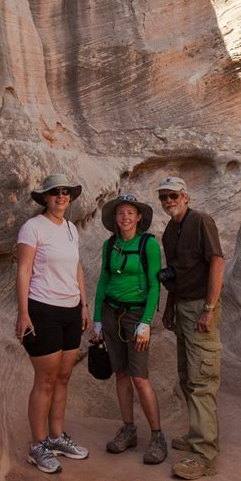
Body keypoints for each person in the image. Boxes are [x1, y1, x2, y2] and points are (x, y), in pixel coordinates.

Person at [16, 173, 90, 474]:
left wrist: (83, 305)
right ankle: (38, 445)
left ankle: (57, 437)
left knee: (63, 377)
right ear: (45, 198)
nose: (61, 197)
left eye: (66, 193)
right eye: (55, 193)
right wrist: (23, 313)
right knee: (45, 380)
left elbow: (77, 267)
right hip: (43, 309)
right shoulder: (32, 228)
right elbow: (23, 270)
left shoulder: (72, 228)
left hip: (71, 310)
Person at [91, 194, 167, 465]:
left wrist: (146, 322)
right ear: (115, 218)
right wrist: (97, 319)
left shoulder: (148, 245)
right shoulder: (109, 244)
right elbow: (103, 281)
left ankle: (157, 436)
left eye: (130, 213)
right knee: (121, 373)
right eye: (120, 213)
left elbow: (155, 285)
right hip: (112, 312)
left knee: (139, 377)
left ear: (139, 218)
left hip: (136, 315)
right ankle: (129, 430)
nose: (125, 217)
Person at [158, 176, 225, 481]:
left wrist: (209, 308)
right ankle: (201, 435)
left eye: (173, 195)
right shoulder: (170, 232)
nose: (168, 201)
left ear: (185, 196)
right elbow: (174, 274)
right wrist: (170, 306)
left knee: (202, 379)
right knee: (188, 377)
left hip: (201, 307)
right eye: (164, 197)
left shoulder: (202, 222)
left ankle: (204, 455)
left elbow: (217, 263)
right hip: (183, 307)